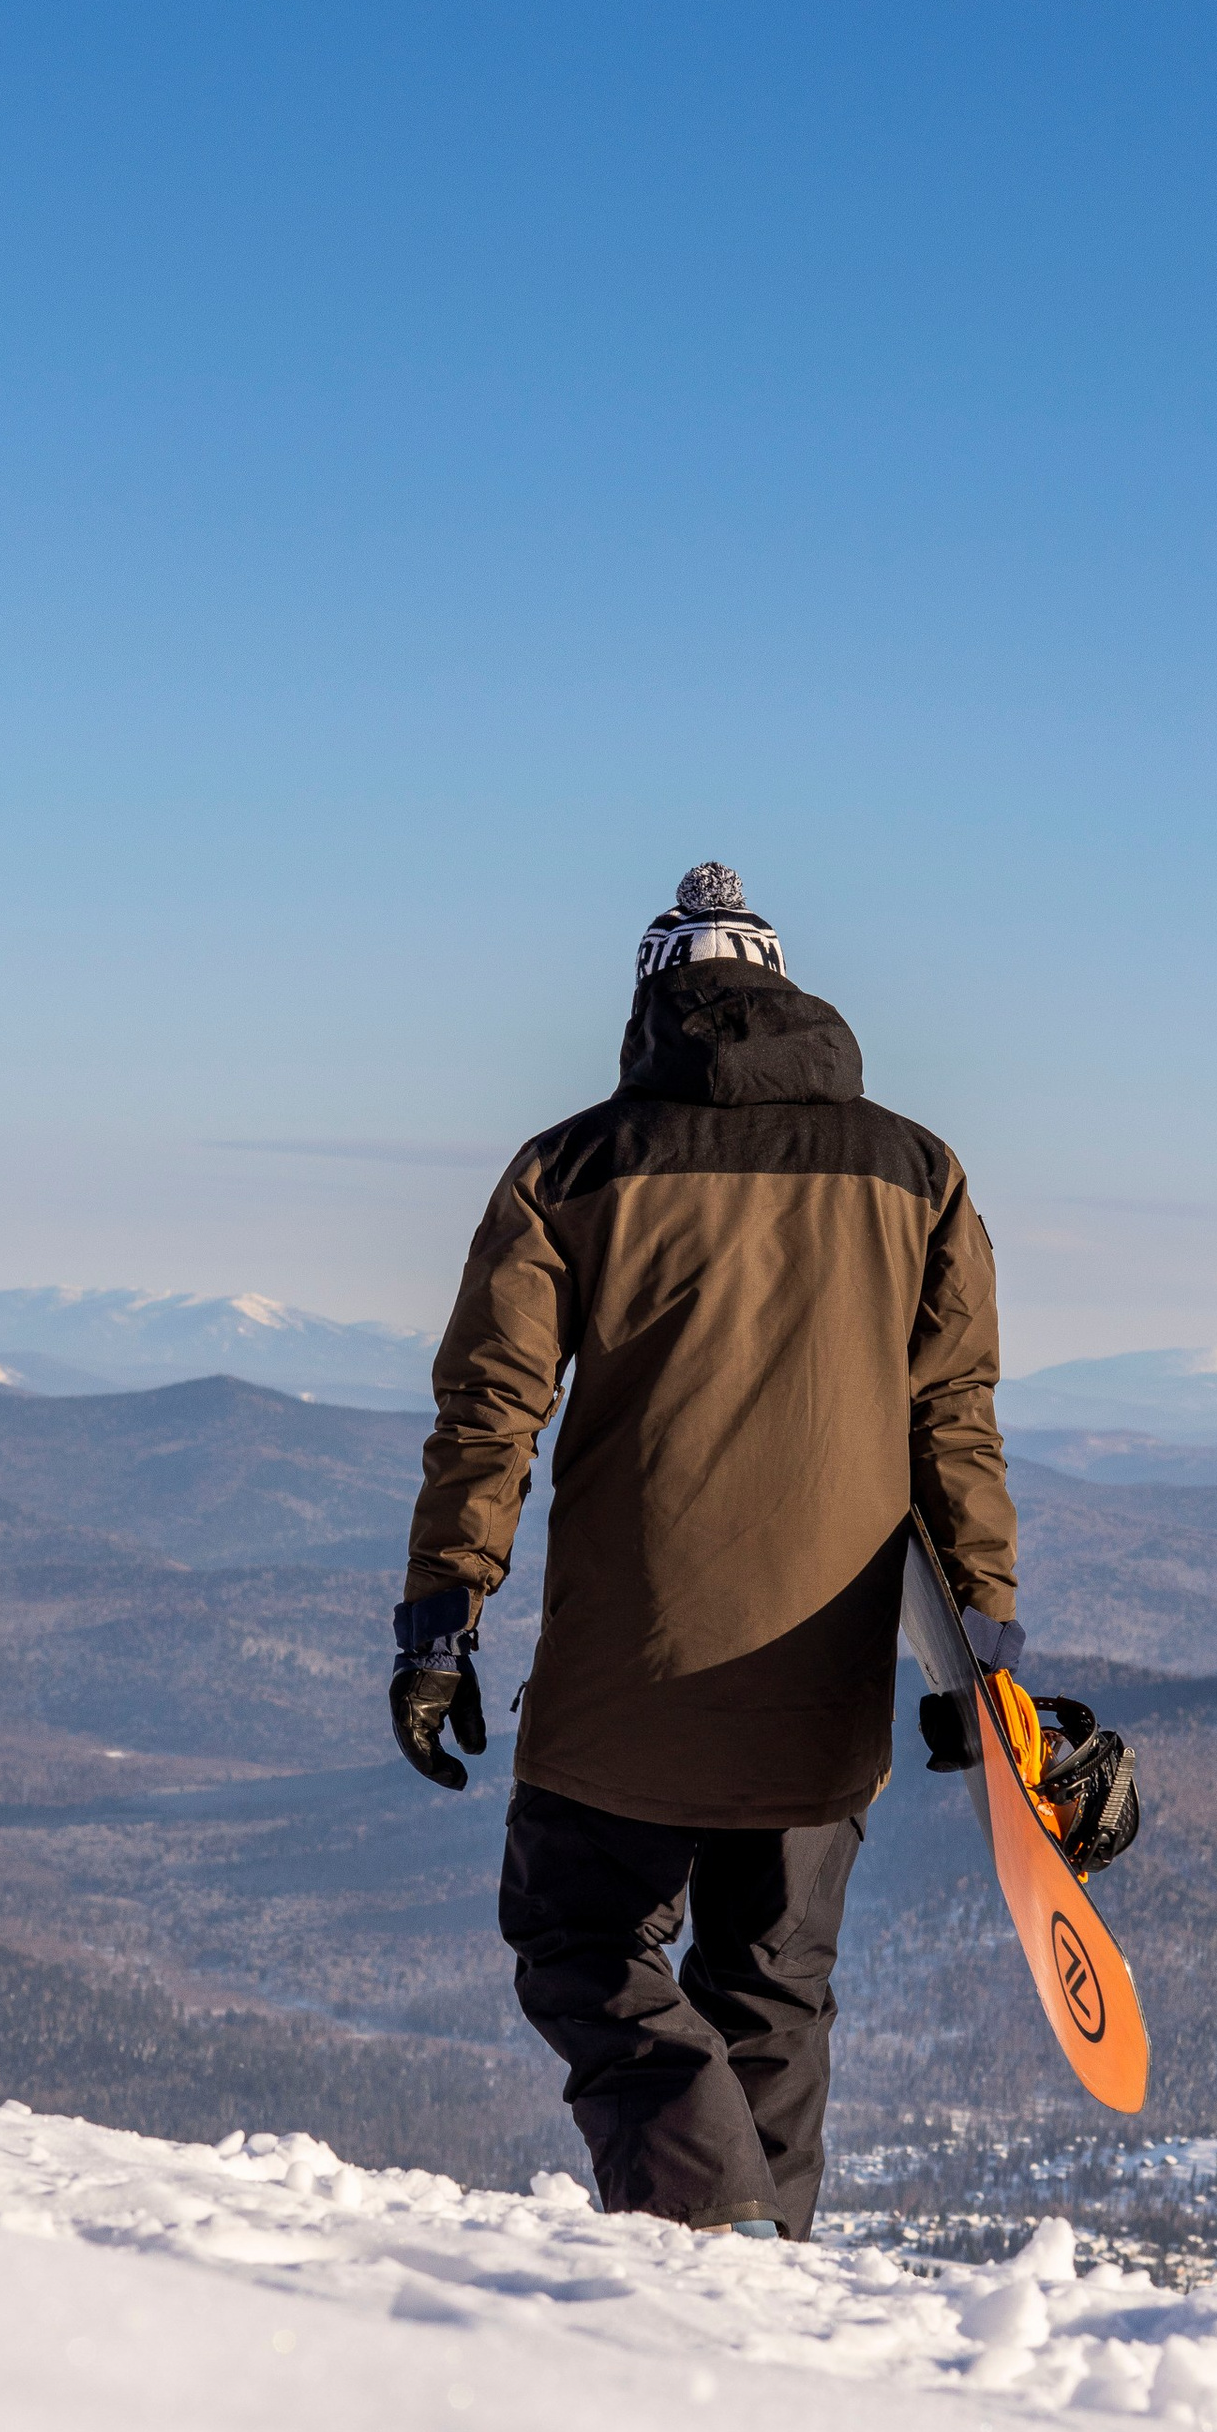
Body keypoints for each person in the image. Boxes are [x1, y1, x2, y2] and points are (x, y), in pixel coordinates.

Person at [386, 865, 1021, 2241]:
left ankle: (712, 2233)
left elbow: (491, 1409)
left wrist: (443, 1615)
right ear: (784, 986)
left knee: (582, 1947)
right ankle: (764, 2287)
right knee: (774, 1988)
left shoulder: (571, 1169)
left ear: (651, 1000)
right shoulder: (919, 1173)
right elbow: (949, 1424)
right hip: (822, 1681)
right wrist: (987, 1652)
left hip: (631, 1671)